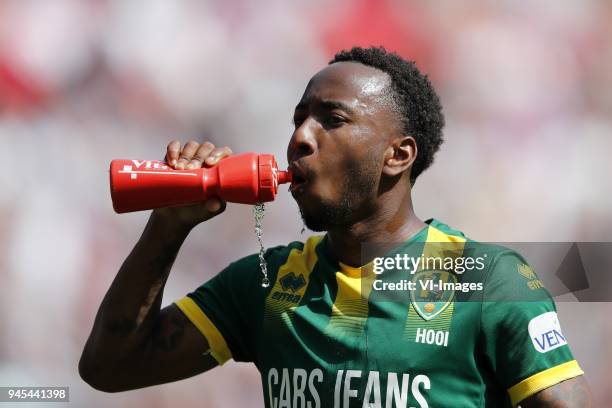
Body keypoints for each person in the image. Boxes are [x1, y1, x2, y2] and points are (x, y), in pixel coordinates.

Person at [80, 47, 592, 407]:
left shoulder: (485, 278)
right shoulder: (264, 285)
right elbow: (110, 368)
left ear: (398, 155)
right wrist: (168, 227)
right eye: (299, 118)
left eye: (333, 119)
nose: (300, 137)